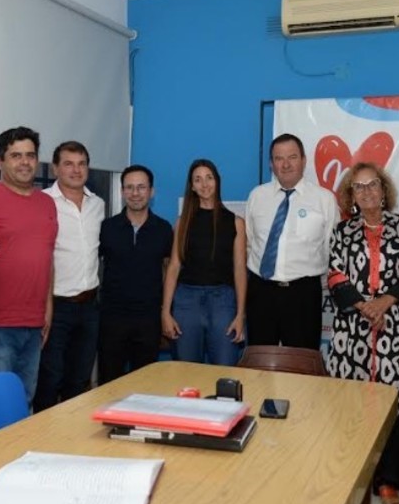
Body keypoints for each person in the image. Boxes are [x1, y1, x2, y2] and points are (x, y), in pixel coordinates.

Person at [323, 162, 399, 504]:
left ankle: (388, 480)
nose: (366, 192)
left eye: (372, 185)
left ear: (384, 190)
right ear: (351, 195)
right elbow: (335, 276)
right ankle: (351, 474)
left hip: (393, 324)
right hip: (353, 328)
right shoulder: (342, 230)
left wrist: (384, 302)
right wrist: (365, 307)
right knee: (352, 404)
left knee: (390, 404)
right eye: (358, 187)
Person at [0, 127, 58, 404]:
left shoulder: (47, 204)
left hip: (34, 327)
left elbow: (47, 258)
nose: (25, 162)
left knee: (22, 409)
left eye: (30, 155)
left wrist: (48, 307)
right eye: (16, 155)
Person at [245, 133, 338, 350]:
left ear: (304, 160)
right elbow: (249, 243)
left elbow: (330, 248)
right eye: (279, 158)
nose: (285, 164)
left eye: (292, 157)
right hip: (261, 291)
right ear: (271, 164)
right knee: (260, 362)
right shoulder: (257, 196)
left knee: (302, 365)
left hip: (303, 295)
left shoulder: (324, 200)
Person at [33, 141, 104, 411]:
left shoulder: (98, 204)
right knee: (49, 380)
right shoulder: (42, 203)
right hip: (55, 307)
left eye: (82, 163)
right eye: (68, 163)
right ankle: (42, 443)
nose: (76, 170)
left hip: (89, 307)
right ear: (55, 168)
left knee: (80, 381)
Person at [161, 159, 246, 365]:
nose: (204, 184)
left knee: (225, 371)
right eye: (197, 180)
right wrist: (165, 311)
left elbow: (239, 270)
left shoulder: (236, 222)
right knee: (186, 373)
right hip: (186, 302)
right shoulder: (182, 222)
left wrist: (240, 314)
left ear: (217, 181)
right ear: (192, 186)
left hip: (223, 303)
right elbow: (173, 267)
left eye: (209, 178)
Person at [98, 165, 173, 383]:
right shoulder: (107, 228)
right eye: (129, 187)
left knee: (145, 385)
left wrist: (166, 311)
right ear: (122, 192)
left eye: (141, 187)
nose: (135, 193)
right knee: (108, 384)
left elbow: (169, 269)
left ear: (151, 191)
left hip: (148, 319)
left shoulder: (163, 229)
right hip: (112, 318)